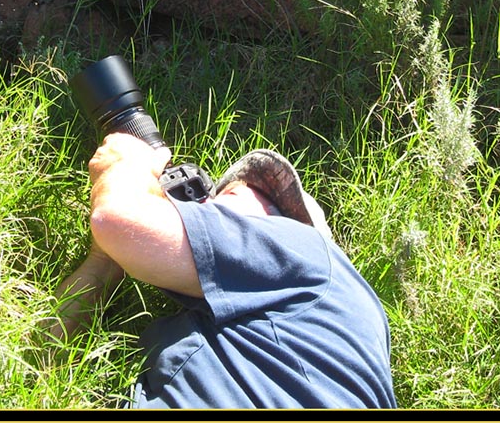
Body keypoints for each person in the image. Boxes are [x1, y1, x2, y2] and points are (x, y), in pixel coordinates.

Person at [50, 132, 397, 409]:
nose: (208, 206)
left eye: (236, 194)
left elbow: (114, 219)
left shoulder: (310, 253)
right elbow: (38, 358)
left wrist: (127, 165)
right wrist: (105, 261)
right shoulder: (229, 343)